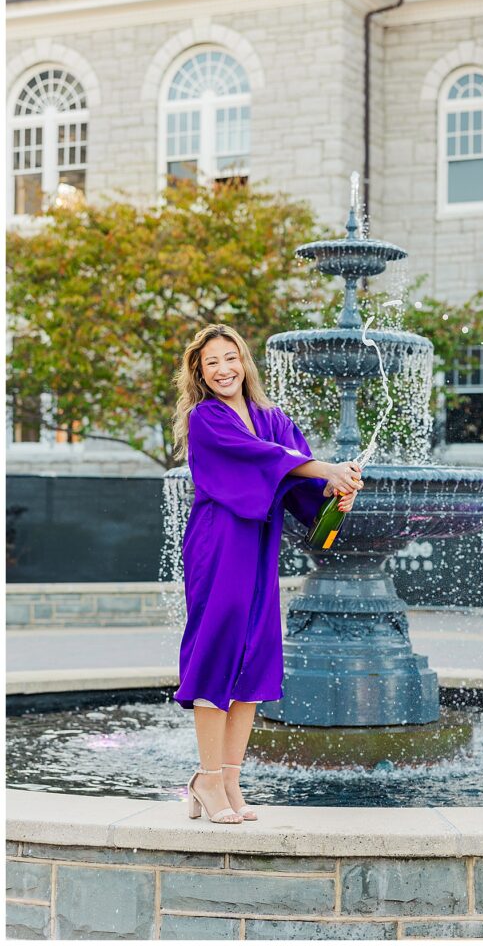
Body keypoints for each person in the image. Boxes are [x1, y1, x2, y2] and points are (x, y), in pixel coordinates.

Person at [170, 323, 363, 825]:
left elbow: (295, 479)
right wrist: (323, 468)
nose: (223, 369)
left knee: (254, 657)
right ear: (199, 371)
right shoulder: (205, 419)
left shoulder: (271, 417)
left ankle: (229, 780)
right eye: (211, 362)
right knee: (218, 651)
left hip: (258, 548)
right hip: (218, 545)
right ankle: (206, 779)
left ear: (244, 361)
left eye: (230, 357)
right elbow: (270, 461)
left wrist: (336, 489)